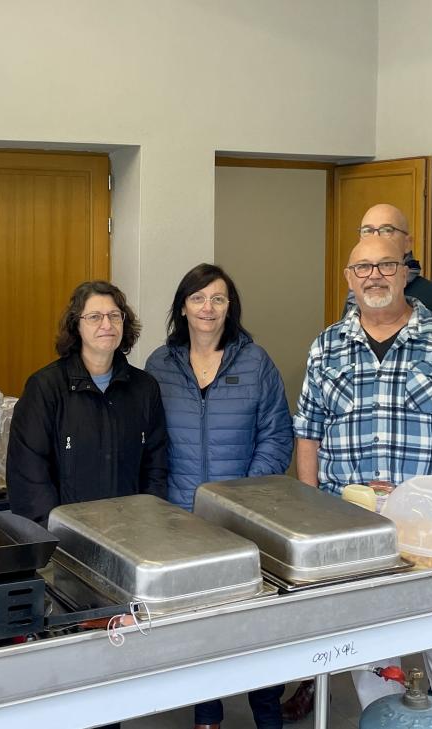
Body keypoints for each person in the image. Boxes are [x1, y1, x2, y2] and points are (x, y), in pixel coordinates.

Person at [290, 208, 432, 729]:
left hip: (431, 535)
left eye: (386, 265)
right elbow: (308, 431)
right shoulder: (328, 346)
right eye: (362, 267)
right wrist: (314, 504)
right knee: (365, 649)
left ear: (407, 269)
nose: (374, 277)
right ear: (348, 278)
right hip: (351, 524)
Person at [145, 263, 291, 729]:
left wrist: (241, 497)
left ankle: (268, 715)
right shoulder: (158, 365)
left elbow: (277, 435)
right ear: (182, 307)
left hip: (247, 520)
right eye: (198, 298)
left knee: (260, 627)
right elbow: (148, 442)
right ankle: (206, 716)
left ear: (231, 307)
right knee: (200, 628)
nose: (208, 308)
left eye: (218, 299)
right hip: (182, 522)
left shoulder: (255, 362)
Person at [7, 280, 168, 526]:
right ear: (76, 326)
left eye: (114, 316)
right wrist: (55, 536)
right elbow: (29, 475)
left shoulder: (144, 388)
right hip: (65, 542)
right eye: (94, 317)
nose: (107, 325)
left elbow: (155, 467)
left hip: (132, 537)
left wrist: (147, 523)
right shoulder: (45, 388)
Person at [342, 203, 432, 330]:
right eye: (367, 231)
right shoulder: (358, 295)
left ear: (407, 243)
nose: (375, 238)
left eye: (387, 230)